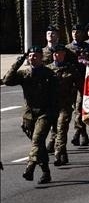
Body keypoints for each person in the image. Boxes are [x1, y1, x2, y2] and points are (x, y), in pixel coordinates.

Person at [2, 47, 59, 184]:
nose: (32, 58)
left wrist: (54, 116)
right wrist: (18, 62)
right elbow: (7, 80)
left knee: (37, 140)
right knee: (38, 144)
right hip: (29, 115)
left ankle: (30, 166)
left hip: (44, 113)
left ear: (41, 58)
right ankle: (46, 172)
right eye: (30, 56)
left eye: (35, 56)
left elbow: (55, 97)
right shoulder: (24, 74)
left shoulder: (49, 74)